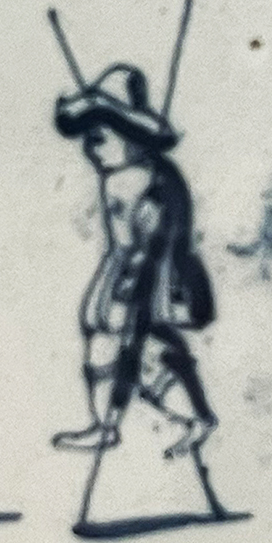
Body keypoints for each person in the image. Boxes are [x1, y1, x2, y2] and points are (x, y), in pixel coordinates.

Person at [52, 63, 218, 459]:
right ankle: (171, 418)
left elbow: (139, 242)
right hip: (140, 275)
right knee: (127, 343)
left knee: (119, 342)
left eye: (98, 137)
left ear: (130, 137)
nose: (90, 149)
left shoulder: (136, 179)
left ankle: (112, 423)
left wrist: (122, 288)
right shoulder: (140, 174)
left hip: (145, 278)